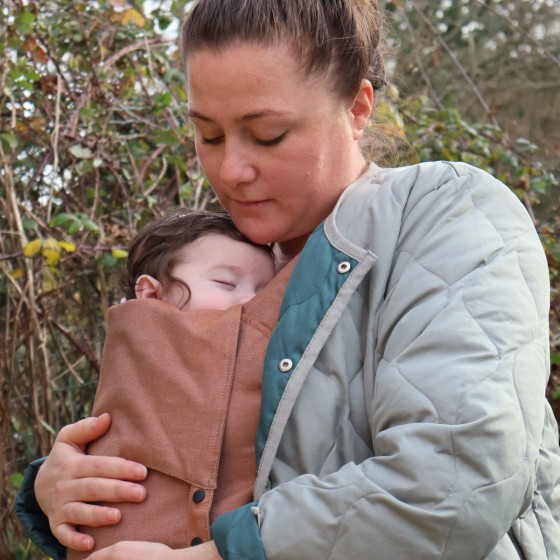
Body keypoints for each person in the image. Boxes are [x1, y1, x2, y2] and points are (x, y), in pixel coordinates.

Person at [16, 0, 560, 558]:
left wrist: (216, 555)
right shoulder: (222, 254)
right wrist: (61, 488)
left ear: (357, 108)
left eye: (269, 134)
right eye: (209, 135)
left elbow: (457, 479)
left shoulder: (448, 215)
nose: (231, 171)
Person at [66, 209, 280, 559]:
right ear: (151, 295)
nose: (250, 303)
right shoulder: (137, 357)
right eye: (227, 284)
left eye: (264, 292)